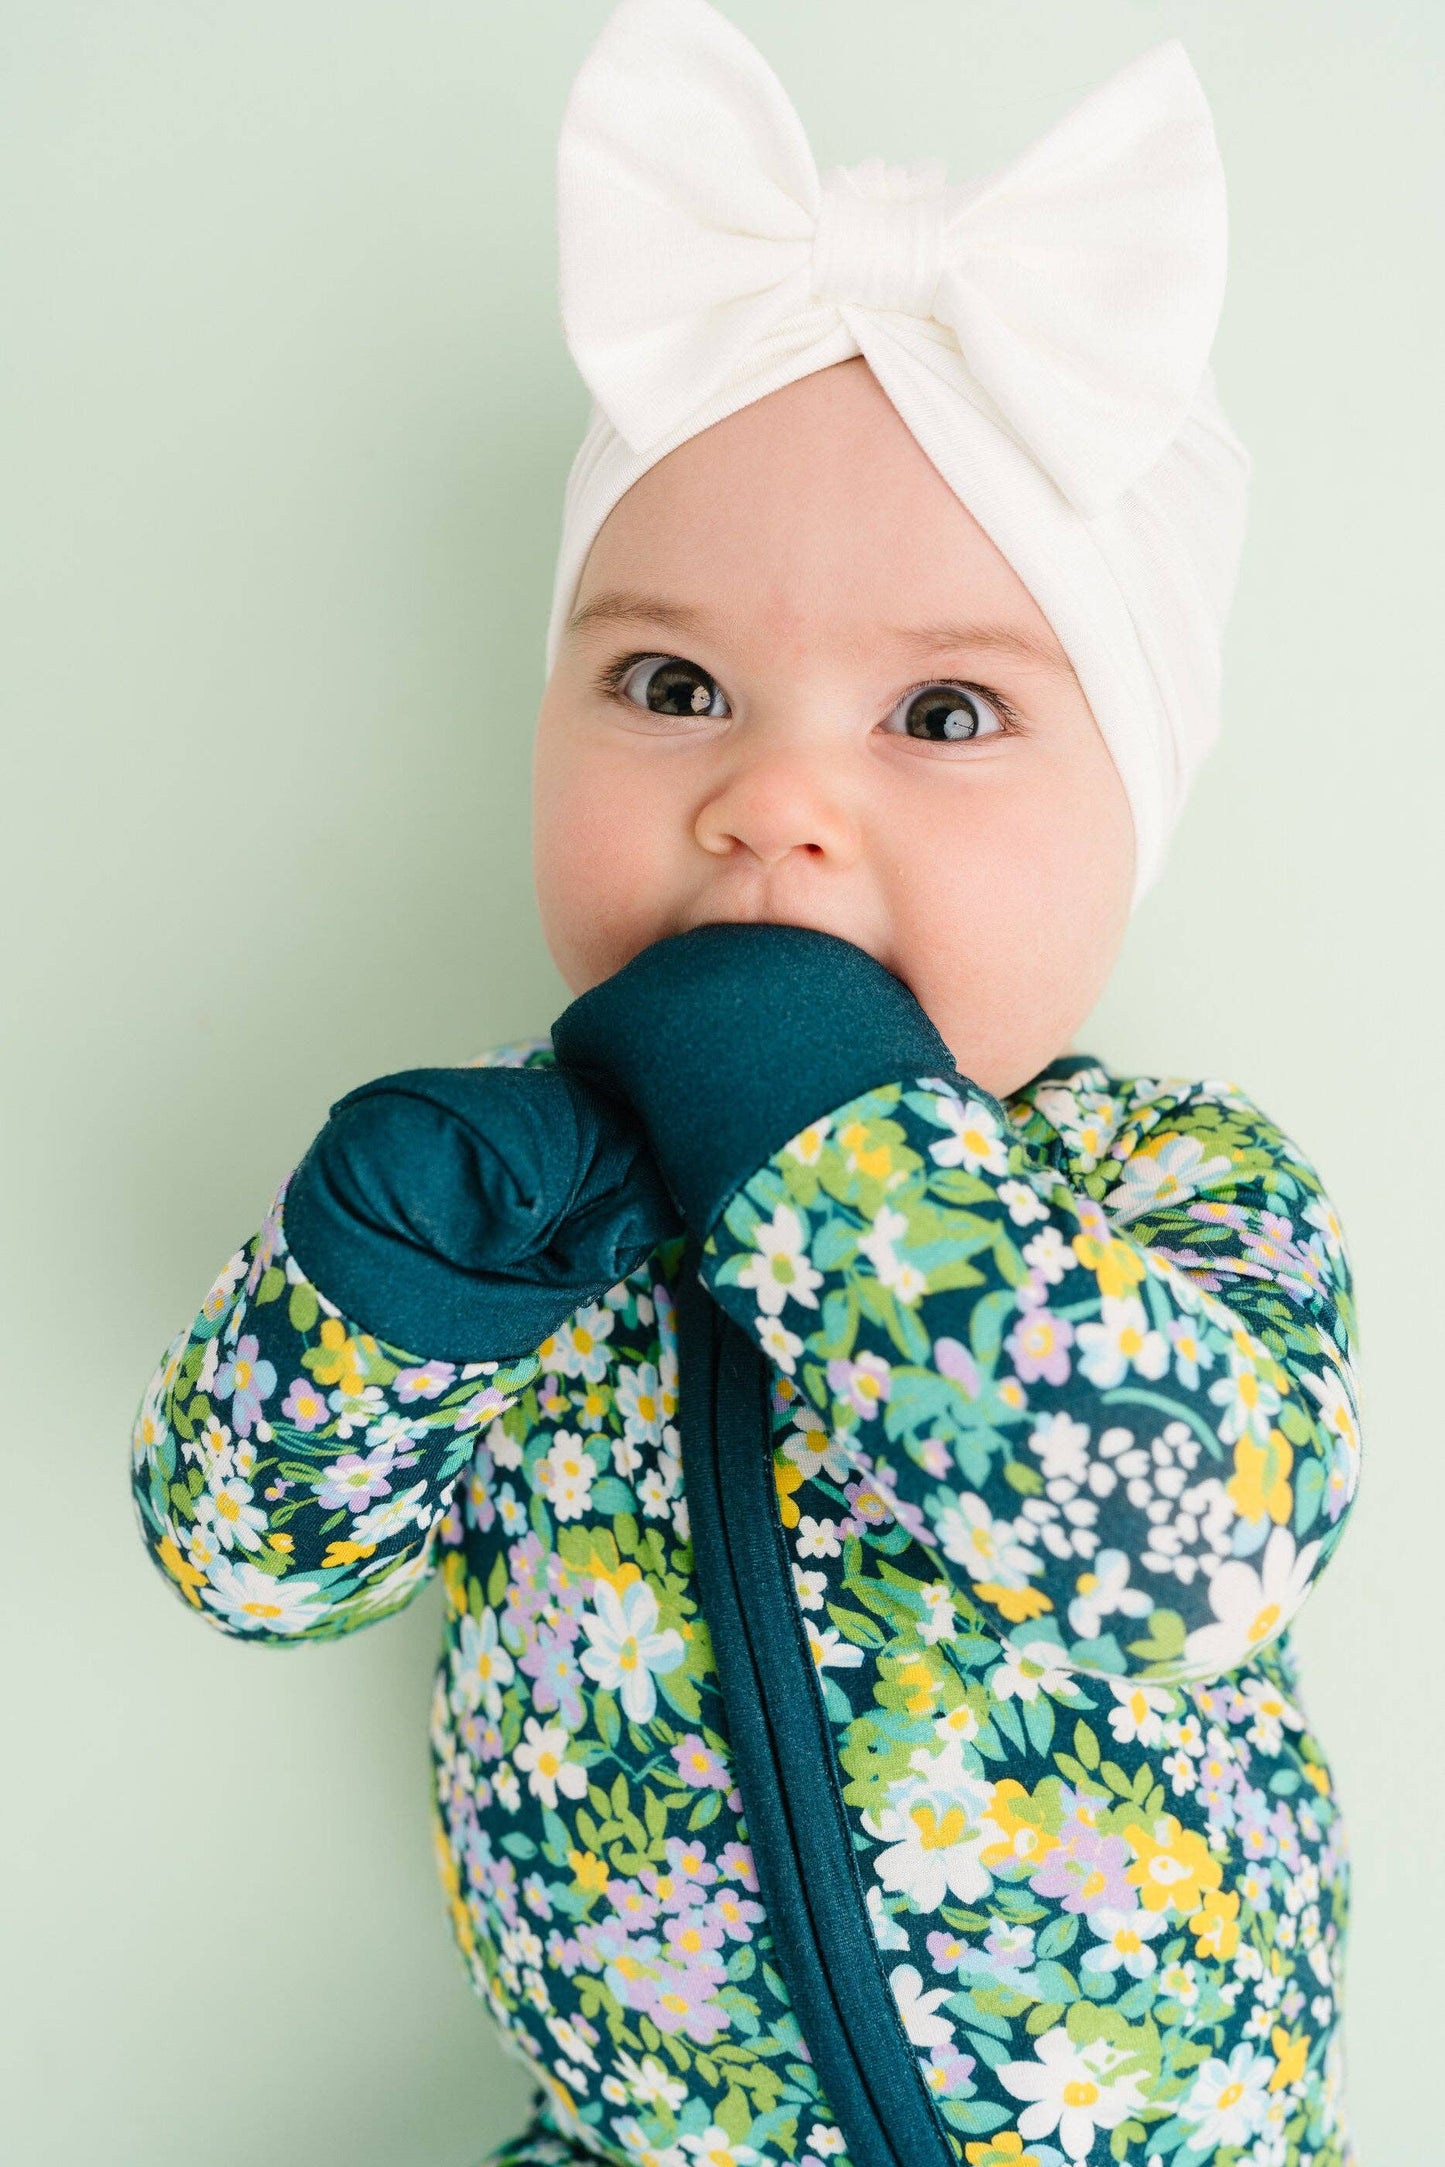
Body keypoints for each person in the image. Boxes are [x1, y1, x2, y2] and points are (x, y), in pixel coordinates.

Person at [128, 4, 1363, 2162]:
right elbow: (247, 1562)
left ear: (1131, 810)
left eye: (948, 715)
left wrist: (822, 1136)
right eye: (672, 684)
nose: (772, 799)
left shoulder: (1169, 1181)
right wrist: (383, 1281)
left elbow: (1198, 1545)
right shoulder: (532, 1224)